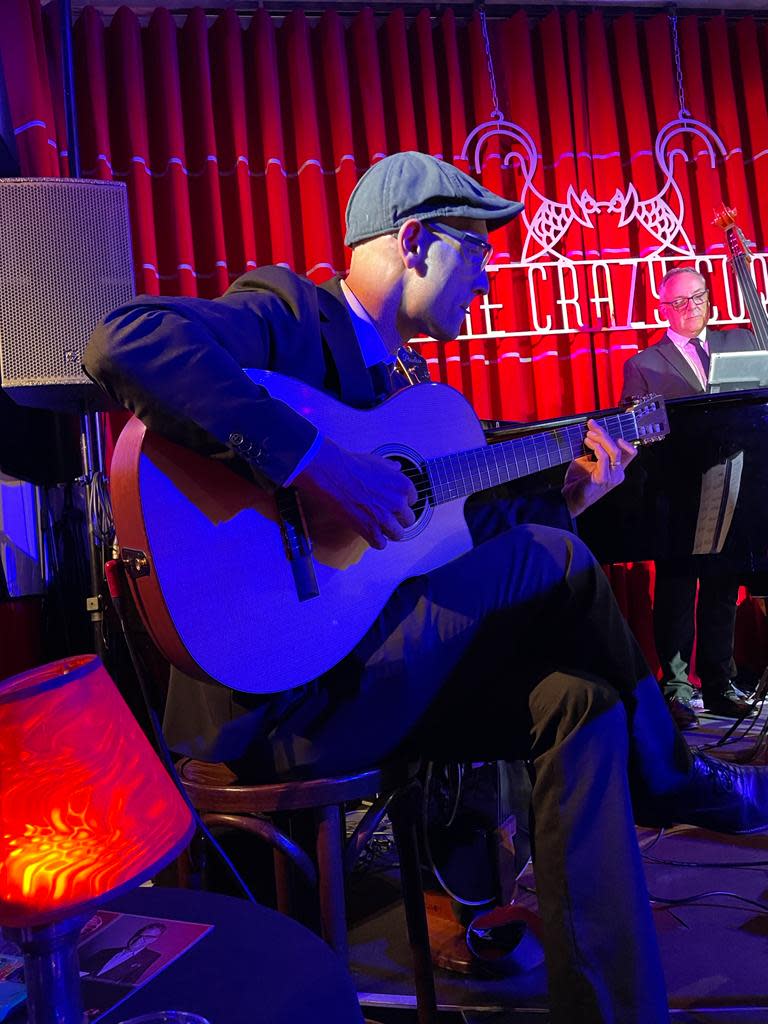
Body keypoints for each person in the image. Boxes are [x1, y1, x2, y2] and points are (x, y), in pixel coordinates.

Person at [85, 152, 768, 1024]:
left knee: (583, 699)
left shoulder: (416, 392)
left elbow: (448, 547)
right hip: (282, 695)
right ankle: (672, 778)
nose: (485, 279)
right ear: (412, 243)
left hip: (384, 672)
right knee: (552, 560)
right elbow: (126, 339)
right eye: (475, 252)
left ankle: (614, 1012)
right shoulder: (292, 315)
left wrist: (568, 496)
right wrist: (319, 463)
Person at [621, 267, 759, 729]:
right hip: (677, 493)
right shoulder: (644, 364)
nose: (690, 308)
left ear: (709, 298)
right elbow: (638, 435)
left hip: (735, 484)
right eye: (678, 302)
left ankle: (720, 683)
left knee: (723, 586)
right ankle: (678, 690)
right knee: (677, 591)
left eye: (697, 297)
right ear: (663, 309)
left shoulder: (740, 343)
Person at [79, 923, 166, 985]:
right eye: (139, 935)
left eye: (147, 937)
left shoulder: (151, 958)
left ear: (154, 940)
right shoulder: (105, 952)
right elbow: (81, 970)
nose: (138, 940)